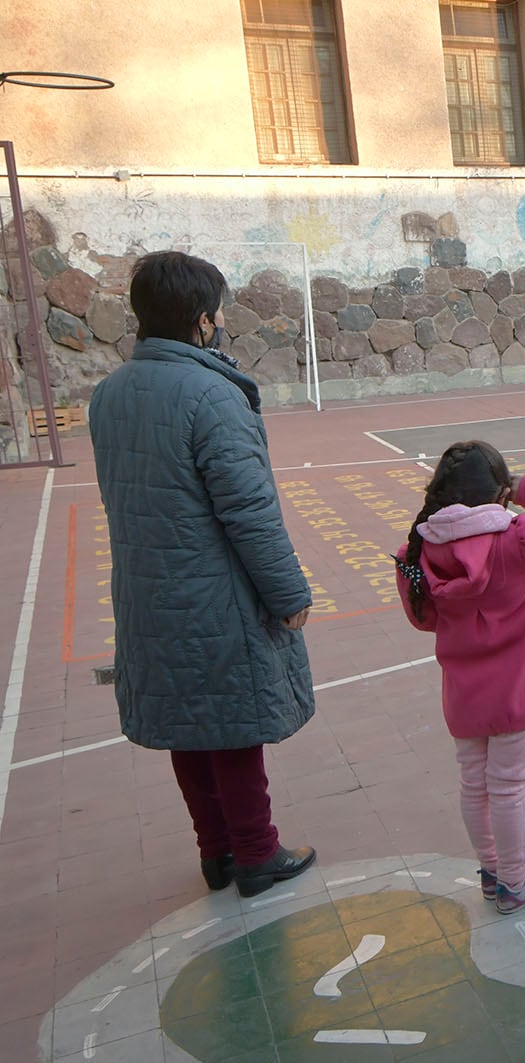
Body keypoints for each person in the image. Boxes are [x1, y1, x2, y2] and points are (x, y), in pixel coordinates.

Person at [89, 251, 316, 899]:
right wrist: (289, 593)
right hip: (212, 593)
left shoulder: (108, 395)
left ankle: (216, 852)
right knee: (233, 726)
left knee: (187, 727)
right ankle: (256, 854)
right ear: (203, 320)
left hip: (146, 591)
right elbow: (248, 510)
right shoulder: (212, 395)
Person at [395, 441, 525, 913]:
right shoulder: (517, 540)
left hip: (465, 691)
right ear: (501, 495)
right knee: (509, 784)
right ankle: (515, 881)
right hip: (517, 690)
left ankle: (492, 870)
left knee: (474, 781)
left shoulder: (417, 549)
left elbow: (424, 619)